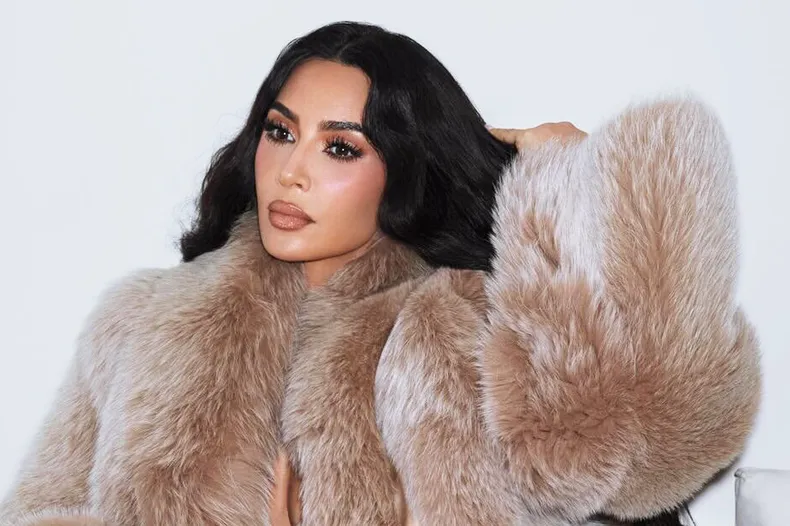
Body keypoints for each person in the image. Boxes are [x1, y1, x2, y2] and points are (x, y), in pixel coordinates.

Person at [0, 21, 759, 526]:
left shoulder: (459, 331)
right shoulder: (142, 325)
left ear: (401, 169)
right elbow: (40, 512)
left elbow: (648, 452)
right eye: (280, 132)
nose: (291, 171)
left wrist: (577, 201)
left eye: (339, 148)